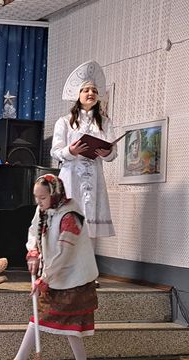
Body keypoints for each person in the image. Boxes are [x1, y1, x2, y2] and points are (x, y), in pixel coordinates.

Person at [0, 174, 99, 360]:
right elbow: (33, 231)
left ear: (55, 193)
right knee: (39, 315)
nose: (39, 202)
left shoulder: (71, 216)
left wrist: (45, 278)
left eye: (42, 197)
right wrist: (33, 252)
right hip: (54, 274)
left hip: (73, 278)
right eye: (36, 197)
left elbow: (64, 253)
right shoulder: (43, 209)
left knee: (71, 323)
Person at [51, 60, 116, 239]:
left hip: (94, 177)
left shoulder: (105, 122)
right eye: (86, 90)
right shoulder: (64, 122)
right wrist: (70, 151)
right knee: (68, 228)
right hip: (71, 177)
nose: (91, 93)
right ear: (78, 94)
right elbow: (55, 151)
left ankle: (87, 256)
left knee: (89, 231)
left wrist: (107, 153)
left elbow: (113, 151)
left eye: (94, 90)